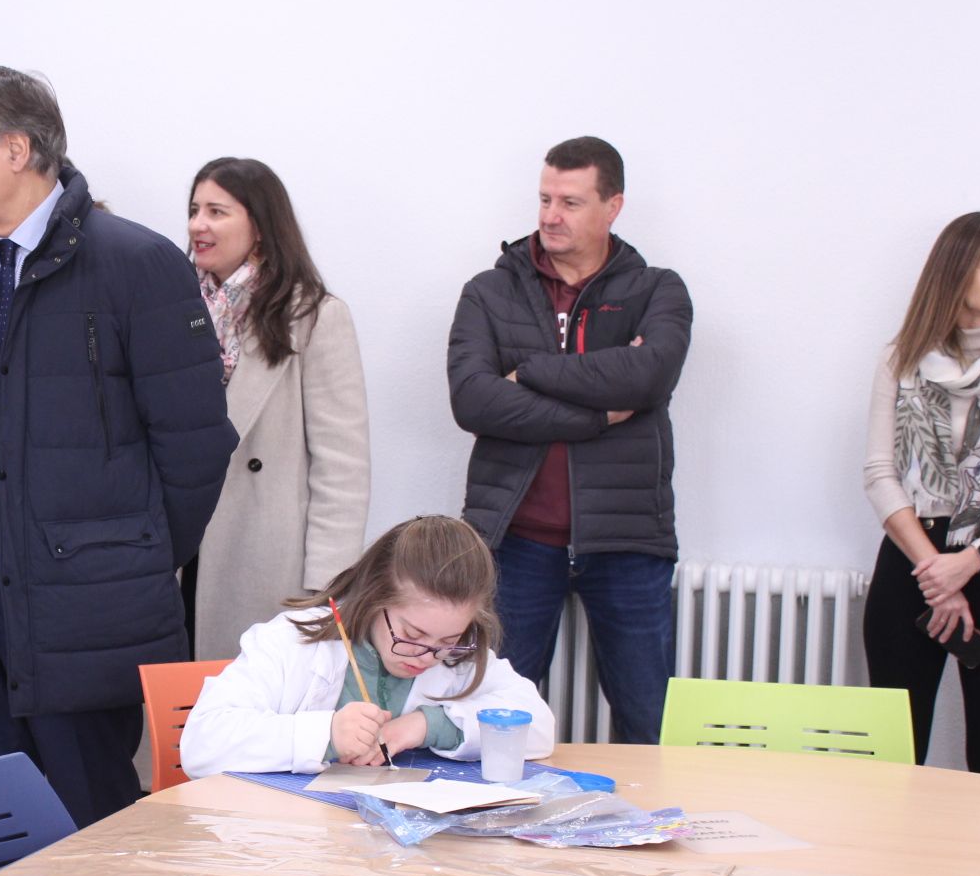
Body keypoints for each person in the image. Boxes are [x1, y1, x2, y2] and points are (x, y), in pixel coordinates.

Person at [0, 65, 236, 863]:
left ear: (16, 150)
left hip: (84, 614)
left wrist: (126, 561)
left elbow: (196, 446)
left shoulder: (136, 264)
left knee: (88, 834)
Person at [446, 136, 691, 745]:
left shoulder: (658, 290)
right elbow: (472, 400)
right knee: (492, 720)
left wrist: (528, 370)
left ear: (613, 207)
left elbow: (650, 374)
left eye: (571, 202)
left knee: (649, 720)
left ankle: (651, 830)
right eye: (545, 198)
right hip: (516, 541)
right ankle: (488, 835)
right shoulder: (490, 290)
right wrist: (599, 413)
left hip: (628, 538)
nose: (551, 215)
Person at [181, 515, 554, 775]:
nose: (427, 657)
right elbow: (203, 743)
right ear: (375, 598)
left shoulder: (457, 657)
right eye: (412, 635)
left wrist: (425, 725)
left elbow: (538, 728)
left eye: (448, 641)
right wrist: (326, 735)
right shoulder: (290, 641)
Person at [861, 212, 980, 777]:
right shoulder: (902, 359)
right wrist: (938, 572)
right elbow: (880, 474)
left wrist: (971, 560)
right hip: (916, 561)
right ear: (956, 273)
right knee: (895, 759)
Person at [186, 157, 370, 662]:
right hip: (179, 546)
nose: (198, 224)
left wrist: (323, 590)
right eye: (195, 209)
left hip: (262, 556)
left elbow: (342, 468)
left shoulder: (313, 317)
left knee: (250, 706)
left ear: (261, 227)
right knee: (170, 709)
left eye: (217, 212)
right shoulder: (173, 308)